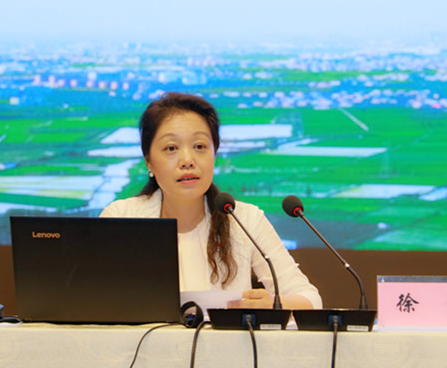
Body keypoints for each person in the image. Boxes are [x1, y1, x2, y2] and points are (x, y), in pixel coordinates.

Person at [100, 92, 322, 309]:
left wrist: (276, 305)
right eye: (171, 148)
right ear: (148, 161)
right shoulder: (121, 218)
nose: (187, 160)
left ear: (214, 153)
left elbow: (309, 298)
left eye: (199, 146)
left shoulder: (244, 219)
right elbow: (91, 297)